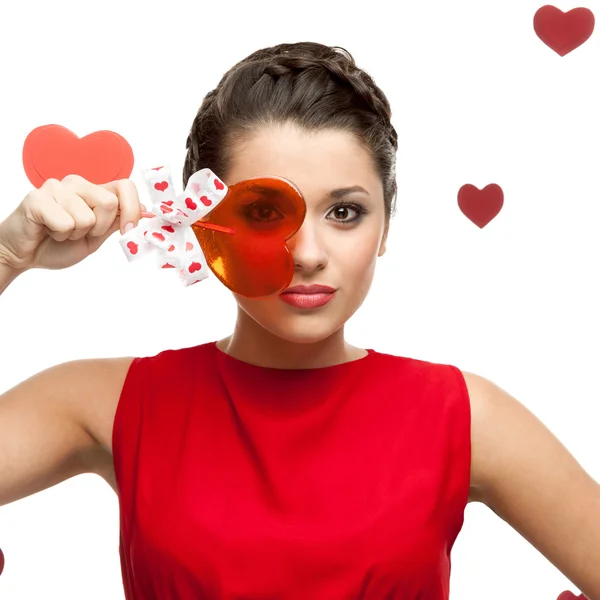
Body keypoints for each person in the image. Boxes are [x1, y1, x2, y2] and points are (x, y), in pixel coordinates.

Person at [0, 41, 598, 600]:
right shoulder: (107, 403)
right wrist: (6, 257)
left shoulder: (463, 415)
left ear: (386, 225)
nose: (309, 253)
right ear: (202, 223)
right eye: (264, 212)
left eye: (345, 211)